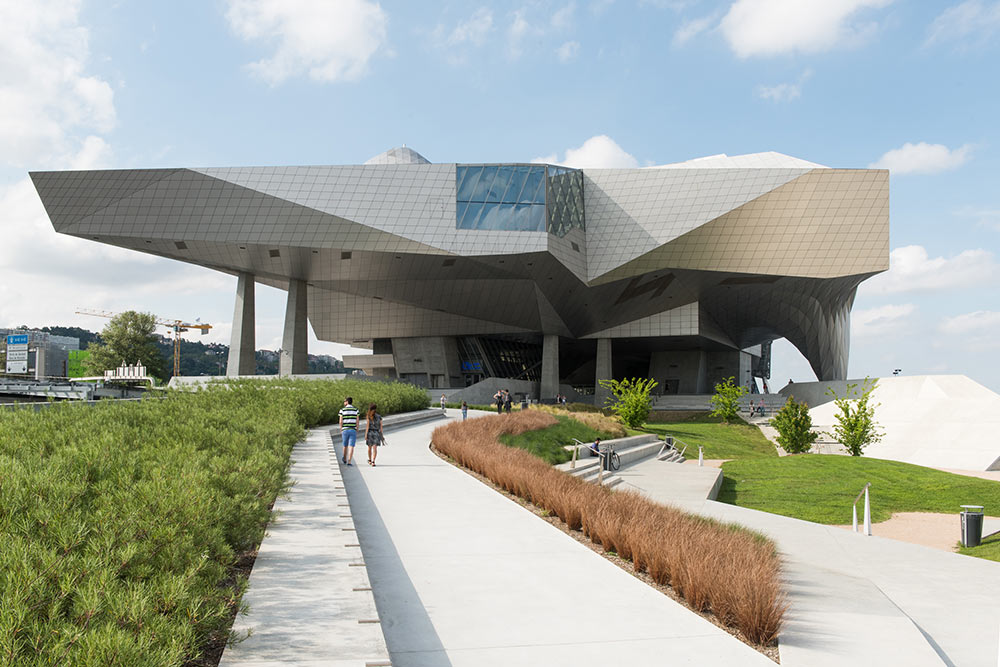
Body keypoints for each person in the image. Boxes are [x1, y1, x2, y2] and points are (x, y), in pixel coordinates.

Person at [339, 397, 359, 466]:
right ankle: (349, 461)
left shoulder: (342, 410)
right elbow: (357, 420)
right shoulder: (356, 410)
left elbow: (340, 421)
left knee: (345, 445)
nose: (344, 402)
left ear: (347, 402)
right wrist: (357, 428)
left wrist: (341, 428)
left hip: (345, 429)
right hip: (353, 429)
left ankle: (344, 458)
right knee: (351, 446)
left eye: (344, 401)